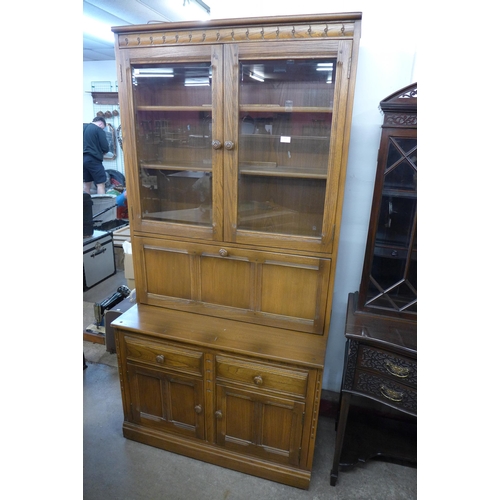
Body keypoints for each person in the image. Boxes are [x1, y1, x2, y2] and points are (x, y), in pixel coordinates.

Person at [83, 116, 110, 194]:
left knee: (86, 184)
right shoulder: (98, 129)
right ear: (101, 124)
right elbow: (105, 147)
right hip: (93, 159)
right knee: (100, 184)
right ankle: (102, 206)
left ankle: (85, 206)